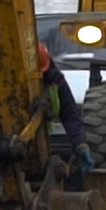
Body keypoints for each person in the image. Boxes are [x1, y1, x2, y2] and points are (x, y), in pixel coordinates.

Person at [39, 43, 94, 189]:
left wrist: (80, 145)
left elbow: (70, 115)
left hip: (44, 145)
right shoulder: (7, 84)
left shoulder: (55, 81)